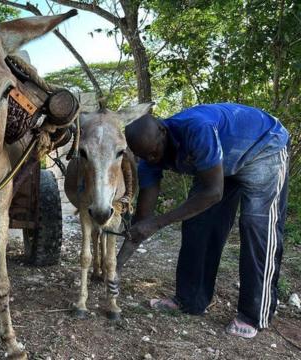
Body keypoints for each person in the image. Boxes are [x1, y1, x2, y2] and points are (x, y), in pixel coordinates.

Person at [124, 103, 289, 338]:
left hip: (263, 149)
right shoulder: (148, 157)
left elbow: (212, 192)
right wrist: (115, 266)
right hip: (219, 164)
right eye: (144, 156)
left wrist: (158, 223)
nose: (152, 158)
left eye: (154, 151)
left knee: (257, 226)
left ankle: (253, 315)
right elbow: (143, 218)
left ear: (163, 131)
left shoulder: (196, 128)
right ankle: (189, 300)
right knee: (198, 223)